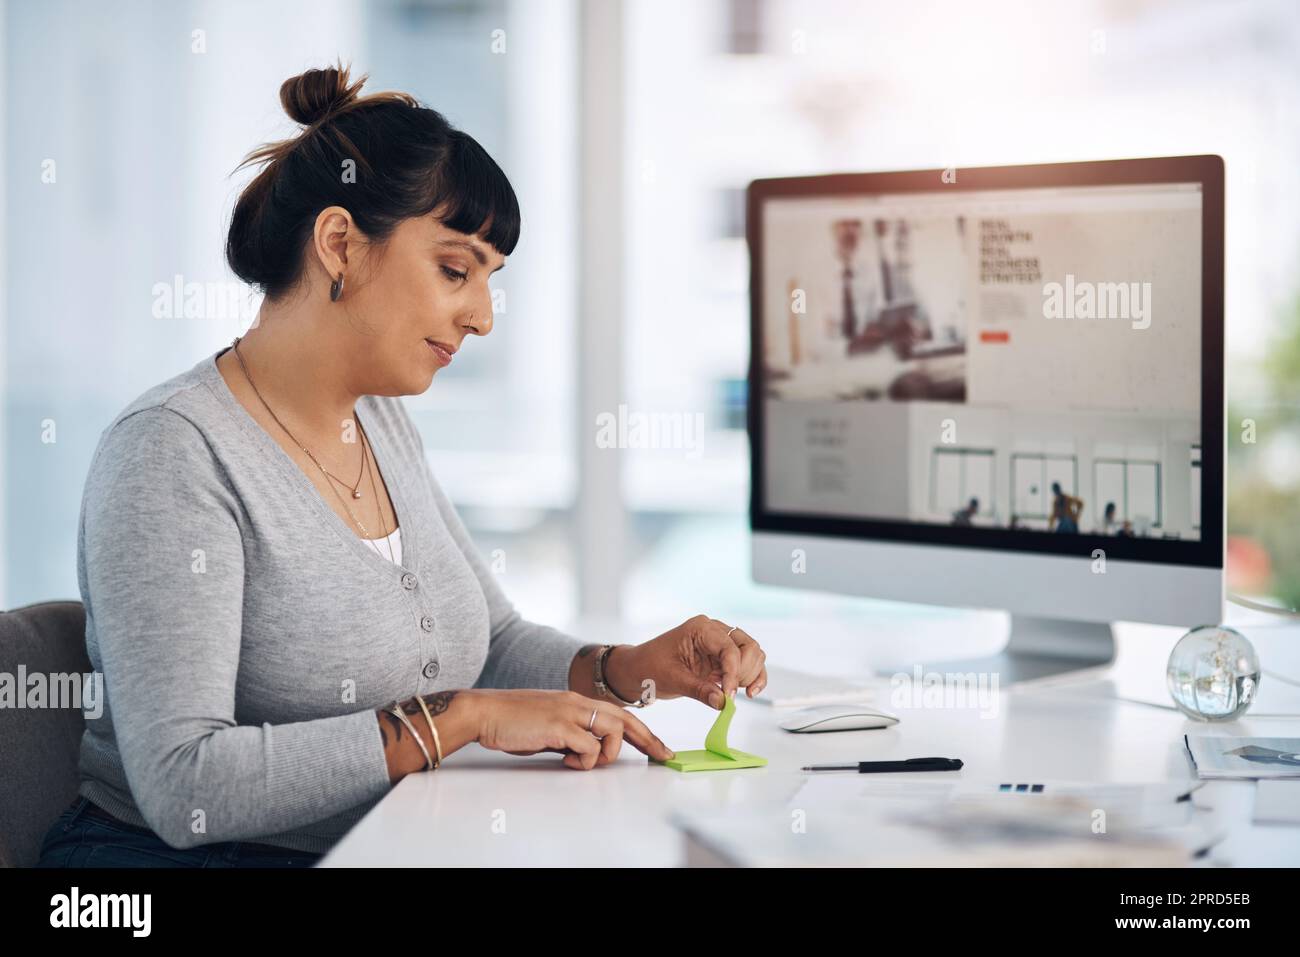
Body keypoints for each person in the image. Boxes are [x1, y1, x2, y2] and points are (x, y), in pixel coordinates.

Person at [37, 63, 768, 869]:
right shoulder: (171, 452)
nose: (483, 317)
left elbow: (490, 641)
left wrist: (632, 668)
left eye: (489, 281)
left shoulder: (378, 420)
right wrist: (454, 720)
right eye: (456, 270)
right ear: (340, 244)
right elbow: (185, 784)